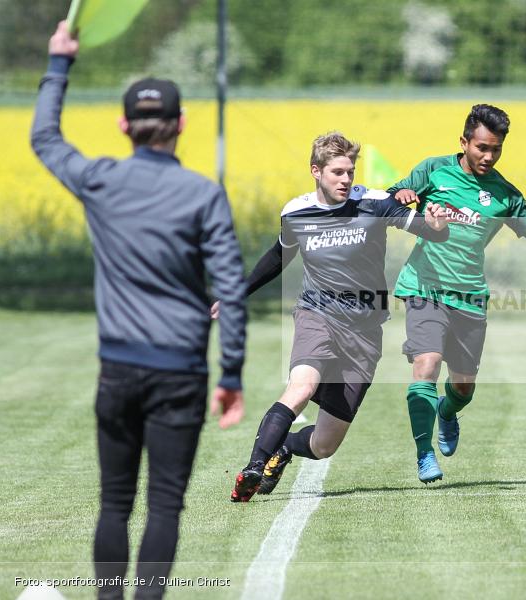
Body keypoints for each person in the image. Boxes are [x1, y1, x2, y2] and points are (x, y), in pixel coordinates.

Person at [31, 22, 246, 599]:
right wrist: (230, 375)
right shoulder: (204, 194)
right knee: (166, 504)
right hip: (181, 371)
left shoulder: (100, 180)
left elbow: (45, 141)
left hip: (118, 370)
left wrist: (59, 65)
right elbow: (230, 290)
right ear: (180, 126)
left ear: (124, 126)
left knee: (114, 503)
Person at [388, 104, 526, 484]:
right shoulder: (433, 170)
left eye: (496, 149)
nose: (488, 156)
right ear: (464, 142)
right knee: (426, 363)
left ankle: (447, 411)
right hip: (424, 288)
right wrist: (403, 193)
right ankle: (425, 453)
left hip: (470, 297)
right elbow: (392, 200)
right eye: (482, 148)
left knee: (463, 387)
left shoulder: (505, 195)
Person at [226, 132, 449, 502]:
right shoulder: (296, 213)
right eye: (337, 172)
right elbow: (279, 256)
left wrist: (437, 227)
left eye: (350, 171)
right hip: (318, 316)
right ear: (316, 171)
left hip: (364, 333)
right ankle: (253, 467)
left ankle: (283, 449)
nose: (346, 180)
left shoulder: (375, 204)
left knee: (324, 444)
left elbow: (429, 231)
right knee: (300, 387)